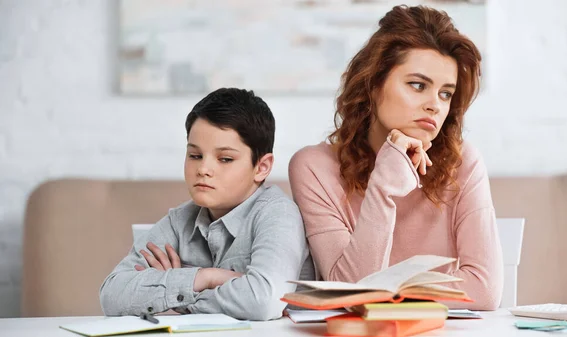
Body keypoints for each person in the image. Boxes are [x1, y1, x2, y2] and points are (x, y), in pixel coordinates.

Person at [288, 5, 502, 310]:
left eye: (445, 93)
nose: (435, 106)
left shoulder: (463, 162)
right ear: (374, 84)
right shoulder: (313, 167)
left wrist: (383, 291)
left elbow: (485, 289)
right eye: (418, 85)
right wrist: (384, 186)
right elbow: (350, 293)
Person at [100, 88, 312, 320]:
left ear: (261, 167)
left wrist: (177, 296)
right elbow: (112, 296)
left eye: (225, 159)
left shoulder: (278, 214)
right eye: (195, 155)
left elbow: (264, 301)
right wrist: (206, 277)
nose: (203, 169)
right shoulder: (179, 220)